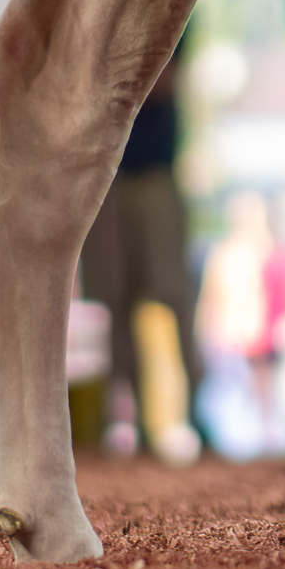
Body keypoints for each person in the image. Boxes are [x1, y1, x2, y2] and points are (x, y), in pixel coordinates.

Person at [79, 44, 203, 463]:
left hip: (152, 174)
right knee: (112, 303)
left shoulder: (168, 10)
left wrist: (105, 87)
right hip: (104, 182)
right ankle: (124, 419)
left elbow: (164, 81)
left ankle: (190, 415)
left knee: (172, 297)